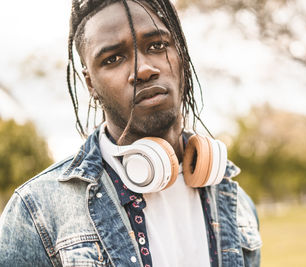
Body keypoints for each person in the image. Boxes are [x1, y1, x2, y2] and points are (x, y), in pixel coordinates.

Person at [0, 0, 261, 266]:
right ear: (90, 82)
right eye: (113, 59)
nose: (143, 70)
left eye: (157, 46)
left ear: (181, 53)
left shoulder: (236, 204)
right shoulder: (36, 212)